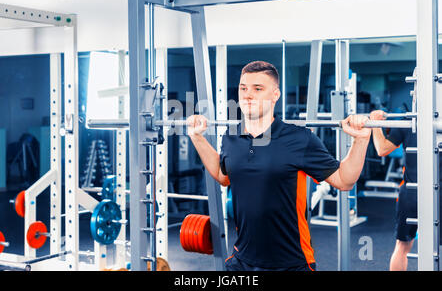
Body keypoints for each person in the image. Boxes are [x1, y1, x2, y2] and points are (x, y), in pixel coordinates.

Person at [187, 60, 371, 271]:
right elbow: (223, 175)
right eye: (243, 88)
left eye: (258, 89)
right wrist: (197, 137)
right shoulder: (231, 137)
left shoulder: (300, 139)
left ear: (275, 95)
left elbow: (344, 180)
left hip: (291, 263)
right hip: (242, 260)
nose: (248, 95)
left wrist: (361, 140)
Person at [370, 109, 442, 271]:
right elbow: (382, 151)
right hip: (428, 192)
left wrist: (375, 123)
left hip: (411, 193)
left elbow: (381, 149)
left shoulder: (409, 120)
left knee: (402, 247)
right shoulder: (409, 120)